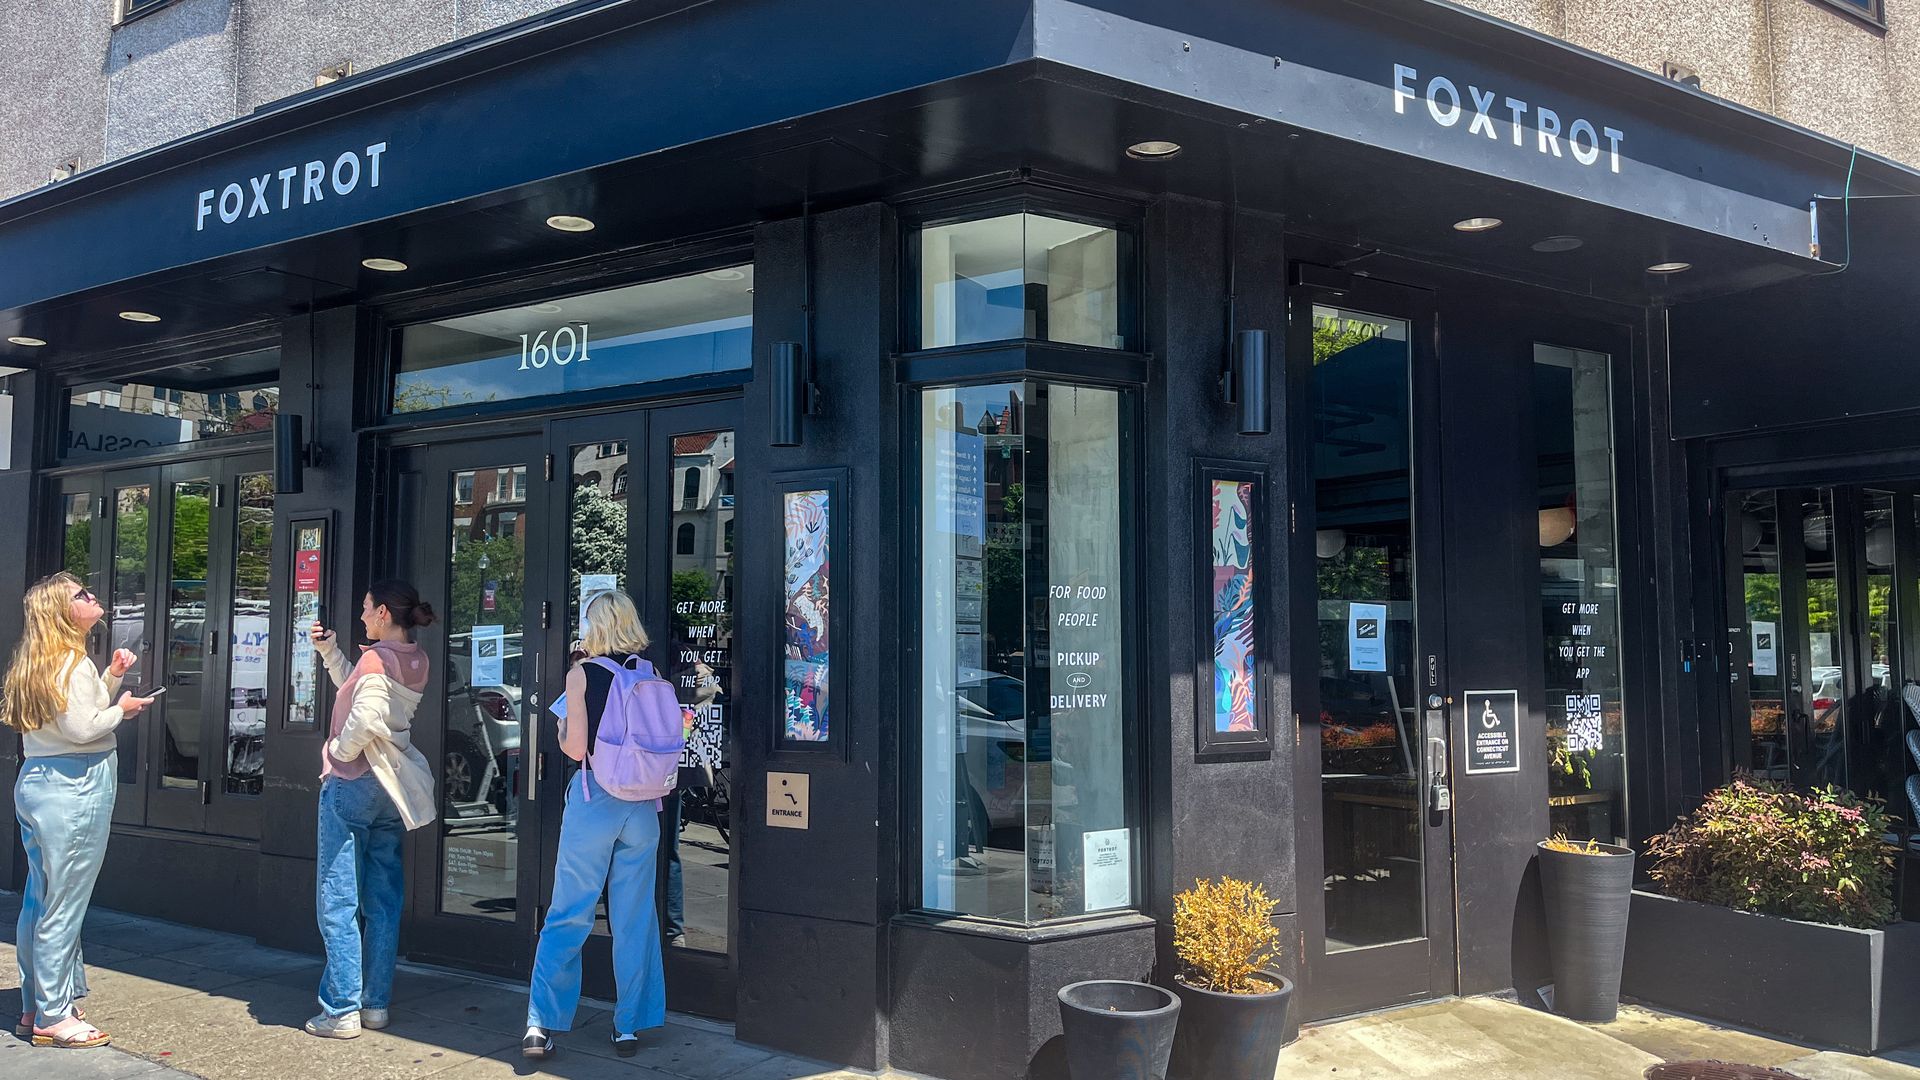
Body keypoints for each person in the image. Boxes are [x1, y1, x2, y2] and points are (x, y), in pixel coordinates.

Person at [1, 572, 150, 1050]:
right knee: (63, 905)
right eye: (81, 595)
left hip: (42, 779)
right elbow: (84, 727)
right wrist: (122, 709)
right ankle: (54, 1014)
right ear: (63, 613)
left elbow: (69, 717)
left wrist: (111, 678)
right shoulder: (68, 661)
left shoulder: (45, 661)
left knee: (40, 899)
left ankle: (35, 1004)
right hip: (76, 783)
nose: (92, 597)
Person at [523, 590, 667, 1060]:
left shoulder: (583, 674)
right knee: (635, 917)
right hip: (644, 806)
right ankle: (628, 1025)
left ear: (596, 627)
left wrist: (562, 726)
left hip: (597, 799)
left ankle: (541, 1023)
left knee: (569, 910)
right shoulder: (651, 674)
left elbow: (573, 747)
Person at [305, 580, 438, 1039]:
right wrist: (330, 652)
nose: (361, 616)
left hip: (354, 781)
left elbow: (363, 714)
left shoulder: (377, 658)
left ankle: (340, 1009)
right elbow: (362, 693)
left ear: (383, 612)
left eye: (365, 609)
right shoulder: (417, 659)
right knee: (383, 898)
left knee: (338, 896)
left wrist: (339, 753)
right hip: (389, 785)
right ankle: (374, 1003)